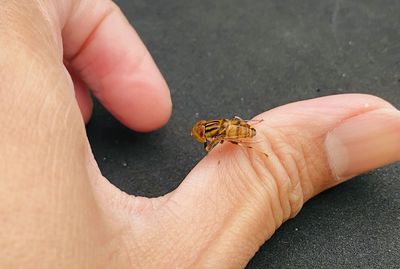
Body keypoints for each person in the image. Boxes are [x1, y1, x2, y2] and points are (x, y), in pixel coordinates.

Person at [1, 1, 399, 268]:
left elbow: (229, 136)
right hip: (236, 131)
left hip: (241, 134)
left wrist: (263, 157)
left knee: (241, 142)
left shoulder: (227, 136)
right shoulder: (220, 134)